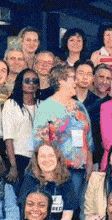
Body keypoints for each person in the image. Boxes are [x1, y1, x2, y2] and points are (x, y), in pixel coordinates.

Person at [32, 64, 93, 197]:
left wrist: (89, 165)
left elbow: (88, 139)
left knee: (76, 207)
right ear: (60, 80)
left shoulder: (80, 107)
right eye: (73, 78)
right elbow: (39, 143)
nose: (76, 81)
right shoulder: (46, 108)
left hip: (80, 171)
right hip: (56, 172)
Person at [18, 143, 79, 220]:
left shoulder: (66, 180)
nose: (47, 160)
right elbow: (25, 213)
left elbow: (67, 216)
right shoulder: (30, 179)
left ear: (57, 158)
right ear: (36, 160)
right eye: (42, 156)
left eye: (51, 156)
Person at [2, 68, 38, 182]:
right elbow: (8, 137)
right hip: (18, 158)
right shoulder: (11, 104)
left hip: (37, 160)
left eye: (35, 81)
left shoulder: (41, 105)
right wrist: (13, 166)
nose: (31, 84)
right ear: (20, 83)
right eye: (27, 81)